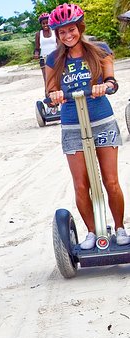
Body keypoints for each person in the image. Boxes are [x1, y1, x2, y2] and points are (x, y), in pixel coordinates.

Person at [45, 3, 128, 249]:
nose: (67, 35)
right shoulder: (54, 59)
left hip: (102, 120)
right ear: (57, 35)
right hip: (72, 125)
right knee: (82, 184)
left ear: (79, 28)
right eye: (61, 32)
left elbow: (112, 80)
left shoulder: (100, 50)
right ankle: (92, 232)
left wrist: (107, 85)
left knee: (110, 181)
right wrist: (55, 96)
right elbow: (49, 91)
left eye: (71, 29)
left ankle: (121, 228)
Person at [34, 12, 59, 116]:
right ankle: (51, 106)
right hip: (44, 60)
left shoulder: (55, 32)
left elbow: (59, 44)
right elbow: (36, 48)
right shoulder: (38, 34)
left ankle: (61, 102)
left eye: (47, 23)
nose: (45, 25)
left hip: (56, 59)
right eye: (43, 23)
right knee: (48, 82)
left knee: (59, 80)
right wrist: (36, 54)